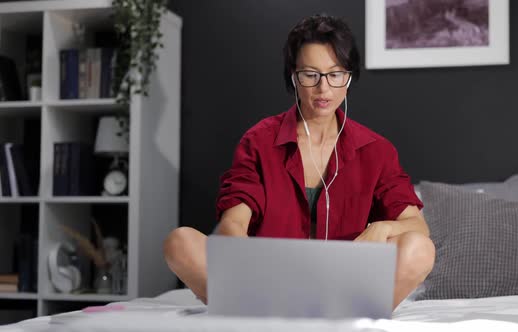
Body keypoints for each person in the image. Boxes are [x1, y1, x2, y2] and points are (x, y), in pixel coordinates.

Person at [164, 14, 435, 310]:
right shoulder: (259, 141)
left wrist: (381, 229)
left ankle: (334, 315)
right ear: (293, 76)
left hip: (345, 284)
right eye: (310, 74)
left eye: (335, 74)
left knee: (420, 249)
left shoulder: (376, 150)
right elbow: (234, 222)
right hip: (268, 281)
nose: (323, 89)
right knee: (180, 242)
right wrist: (236, 256)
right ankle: (261, 308)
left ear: (348, 77)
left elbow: (417, 227)